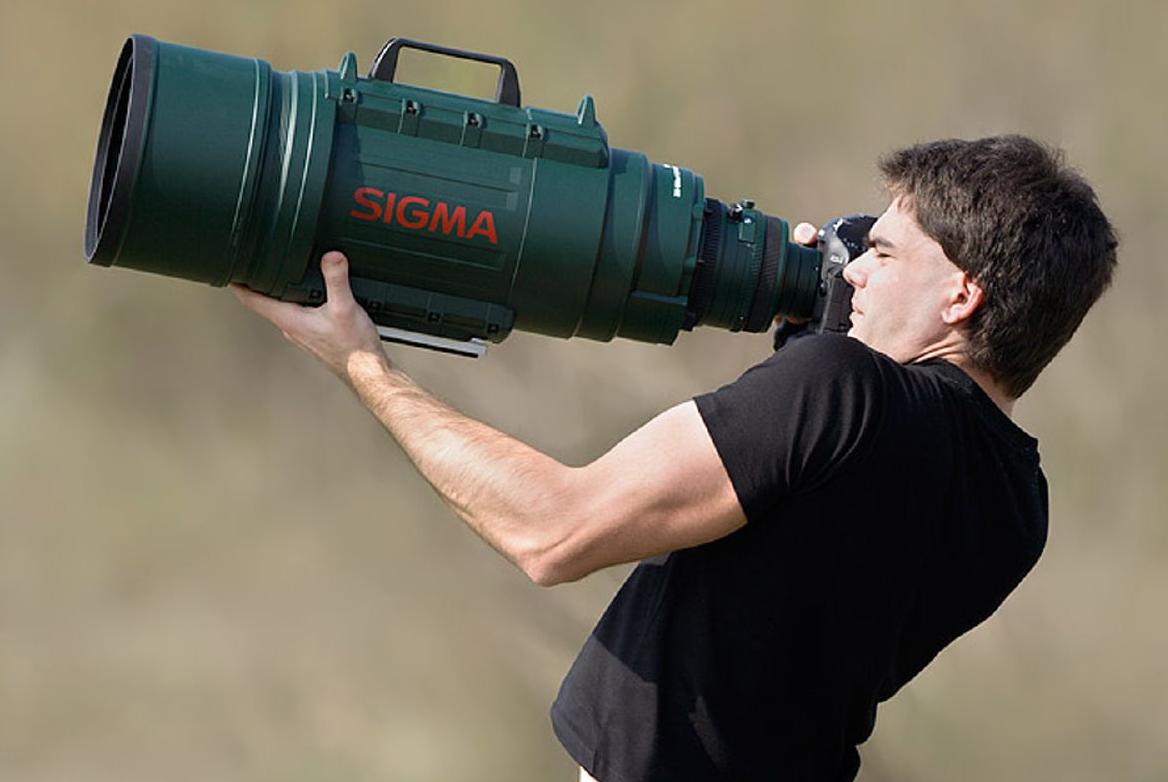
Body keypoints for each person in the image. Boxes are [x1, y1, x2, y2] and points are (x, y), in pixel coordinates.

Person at [232, 135, 1117, 781]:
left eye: (882, 254)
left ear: (961, 295)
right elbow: (821, 526)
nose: (854, 272)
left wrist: (364, 364)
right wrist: (806, 346)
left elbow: (552, 532)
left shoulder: (844, 390)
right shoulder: (1020, 503)